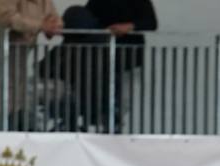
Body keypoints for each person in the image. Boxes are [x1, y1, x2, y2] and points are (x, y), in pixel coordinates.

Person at [59, 0, 157, 132]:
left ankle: (113, 129)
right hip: (102, 61)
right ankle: (102, 126)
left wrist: (130, 26)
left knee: (124, 101)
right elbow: (86, 18)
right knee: (102, 98)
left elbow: (151, 23)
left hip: (130, 60)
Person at [0, 0, 62, 130]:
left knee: (17, 98)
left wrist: (54, 26)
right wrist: (41, 25)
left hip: (19, 53)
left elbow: (54, 19)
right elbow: (8, 18)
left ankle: (12, 134)